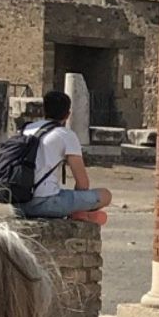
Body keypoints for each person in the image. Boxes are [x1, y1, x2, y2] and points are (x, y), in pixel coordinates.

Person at [19, 89, 112, 223]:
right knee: (105, 195)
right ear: (68, 115)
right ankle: (80, 214)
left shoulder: (25, 129)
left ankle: (79, 213)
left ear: (44, 111)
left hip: (17, 203)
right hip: (45, 204)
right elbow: (82, 183)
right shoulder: (65, 135)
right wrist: (79, 205)